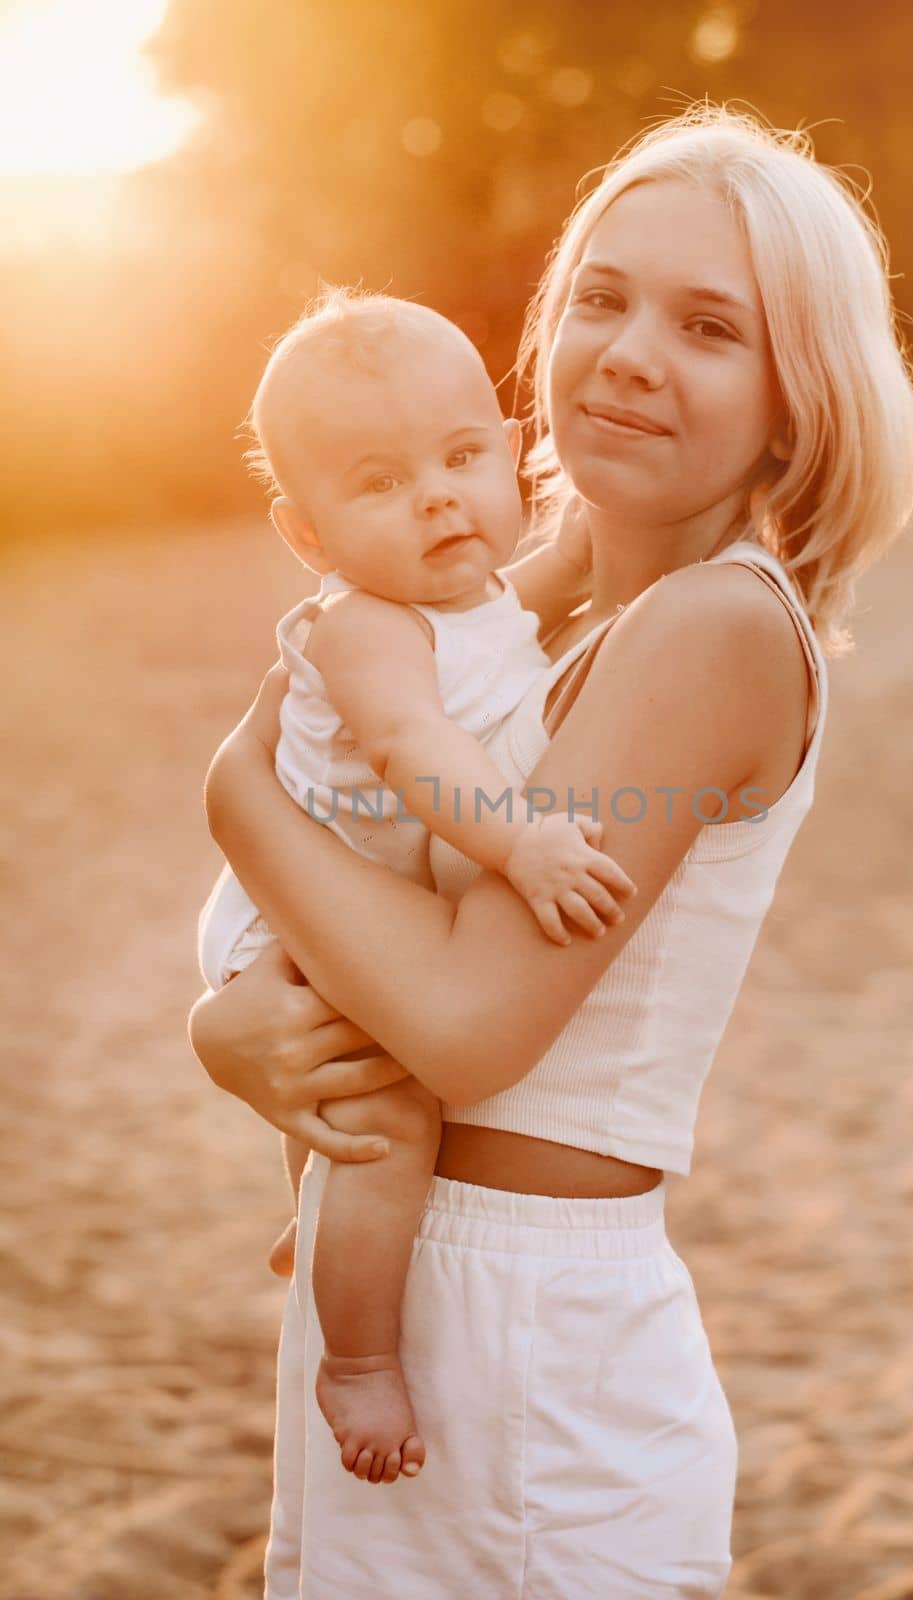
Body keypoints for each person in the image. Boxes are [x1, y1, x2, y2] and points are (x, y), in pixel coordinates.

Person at [188, 104, 913, 1598]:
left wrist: (232, 800)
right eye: (600, 295)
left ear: (795, 401)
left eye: (709, 325)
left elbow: (461, 1025)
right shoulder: (543, 598)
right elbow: (357, 793)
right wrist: (227, 1035)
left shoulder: (715, 626)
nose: (630, 350)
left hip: (532, 1345)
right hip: (402, 1290)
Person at [196, 289, 638, 1483]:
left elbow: (550, 579)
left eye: (459, 456)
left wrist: (606, 531)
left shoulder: (471, 593)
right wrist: (523, 843)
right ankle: (359, 1361)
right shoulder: (362, 629)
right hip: (292, 917)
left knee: (358, 1137)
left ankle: (329, 1221)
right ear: (307, 537)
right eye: (381, 482)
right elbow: (414, 753)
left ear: (503, 452)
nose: (439, 495)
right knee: (388, 1122)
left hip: (362, 892)